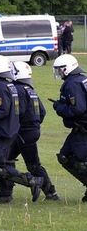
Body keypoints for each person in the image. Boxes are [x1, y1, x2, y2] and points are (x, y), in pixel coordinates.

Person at [0, 55, 43, 204]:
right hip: (7, 131)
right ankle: (4, 194)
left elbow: (2, 110)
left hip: (4, 132)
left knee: (0, 167)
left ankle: (32, 181)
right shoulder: (9, 86)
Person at [8, 61, 59, 200]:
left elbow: (20, 112)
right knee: (9, 159)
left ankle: (46, 190)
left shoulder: (16, 89)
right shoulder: (30, 90)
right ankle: (49, 192)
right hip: (31, 131)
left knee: (27, 165)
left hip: (22, 133)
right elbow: (42, 112)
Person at [51, 54, 87, 201]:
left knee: (72, 158)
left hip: (83, 129)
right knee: (66, 156)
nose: (58, 73)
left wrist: (59, 107)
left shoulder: (72, 84)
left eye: (59, 70)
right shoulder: (83, 79)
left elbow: (77, 109)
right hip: (81, 128)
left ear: (67, 69)